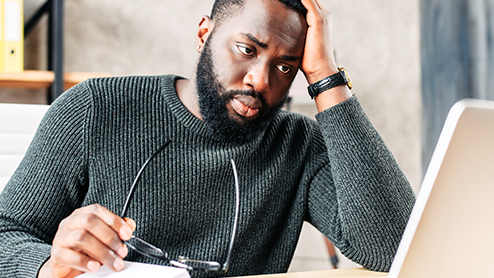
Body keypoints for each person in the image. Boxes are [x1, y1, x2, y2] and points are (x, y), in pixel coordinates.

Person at [0, 0, 416, 277]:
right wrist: (46, 266)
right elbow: (6, 235)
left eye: (286, 67)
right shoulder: (96, 107)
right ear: (204, 35)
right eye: (247, 49)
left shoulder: (298, 145)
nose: (260, 80)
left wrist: (327, 76)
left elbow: (394, 246)